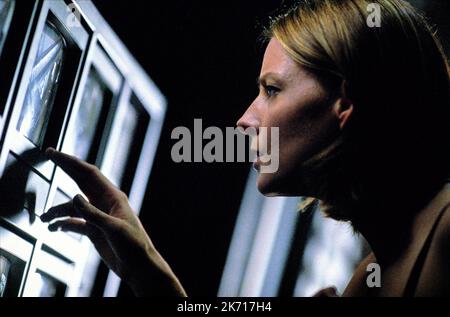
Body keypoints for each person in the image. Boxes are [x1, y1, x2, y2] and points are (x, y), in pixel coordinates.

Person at [41, 0, 450, 296]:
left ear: (346, 101)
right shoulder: (371, 276)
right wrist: (147, 270)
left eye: (272, 90)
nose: (244, 120)